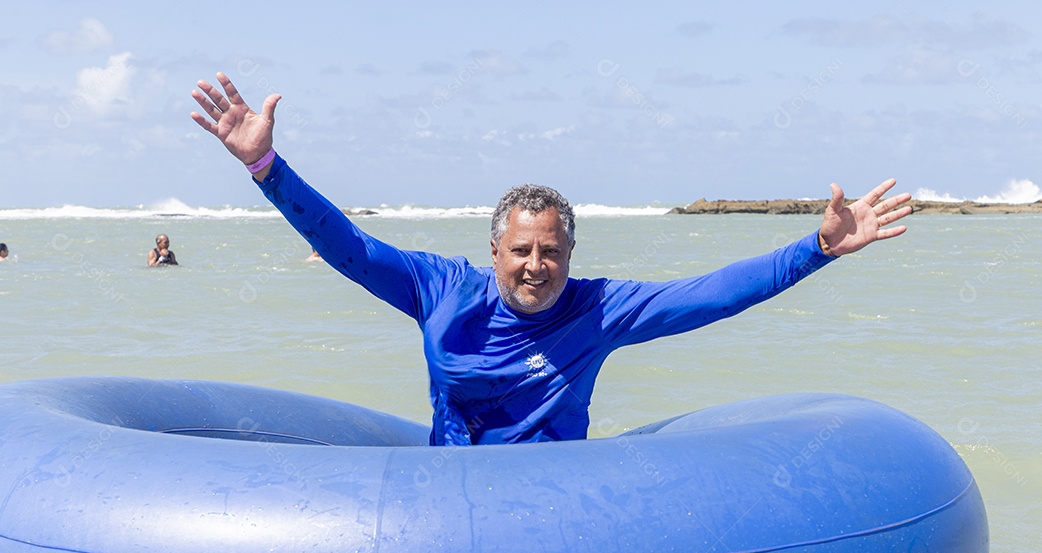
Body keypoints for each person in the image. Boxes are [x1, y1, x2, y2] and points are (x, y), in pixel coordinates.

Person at [191, 72, 911, 446]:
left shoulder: (598, 309)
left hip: (556, 499)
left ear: (570, 253)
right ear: (493, 251)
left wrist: (818, 249)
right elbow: (346, 248)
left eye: (552, 252)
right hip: (456, 489)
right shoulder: (438, 289)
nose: (537, 267)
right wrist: (266, 168)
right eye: (521, 251)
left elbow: (713, 293)